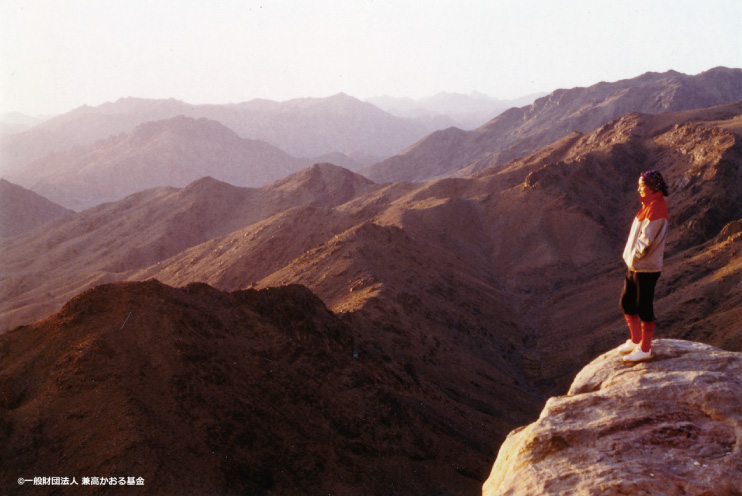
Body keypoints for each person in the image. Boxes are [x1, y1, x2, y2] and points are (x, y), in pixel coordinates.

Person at [618, 170, 669, 362]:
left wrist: (635, 255)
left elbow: (645, 241)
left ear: (652, 187)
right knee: (627, 303)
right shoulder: (648, 205)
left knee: (643, 307)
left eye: (642, 185)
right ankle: (635, 340)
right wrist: (631, 258)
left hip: (646, 268)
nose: (639, 188)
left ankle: (645, 349)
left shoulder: (656, 208)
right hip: (635, 265)